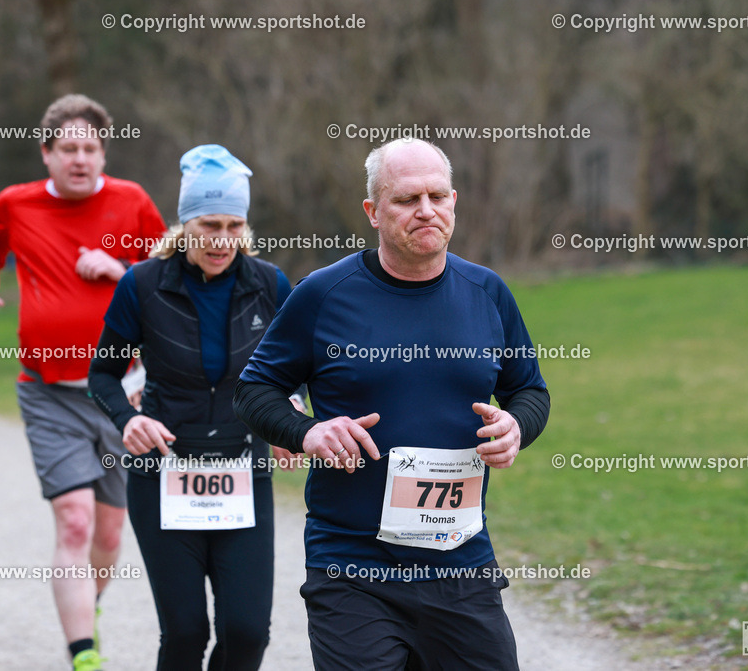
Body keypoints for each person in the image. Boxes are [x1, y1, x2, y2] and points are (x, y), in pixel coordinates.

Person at [233, 138, 551, 670]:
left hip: (460, 563)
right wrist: (307, 432)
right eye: (406, 199)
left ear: (454, 201)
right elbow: (253, 389)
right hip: (354, 568)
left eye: (436, 196)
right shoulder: (323, 294)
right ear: (373, 212)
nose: (425, 210)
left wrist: (517, 425)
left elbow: (530, 392)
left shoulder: (488, 293)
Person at [0, 94, 167, 671]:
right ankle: (84, 655)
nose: (81, 159)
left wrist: (120, 269)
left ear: (103, 153)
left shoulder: (131, 202)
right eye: (69, 149)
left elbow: (172, 274)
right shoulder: (16, 203)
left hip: (123, 394)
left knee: (108, 531)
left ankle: (89, 604)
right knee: (74, 518)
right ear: (47, 153)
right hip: (47, 389)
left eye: (91, 148)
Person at [88, 144, 305, 670]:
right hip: (164, 472)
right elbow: (103, 375)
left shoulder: (271, 285)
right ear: (185, 224)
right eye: (210, 224)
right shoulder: (142, 286)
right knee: (185, 632)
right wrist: (129, 418)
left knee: (246, 632)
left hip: (242, 470)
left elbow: (294, 374)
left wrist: (290, 417)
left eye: (234, 226)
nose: (223, 240)